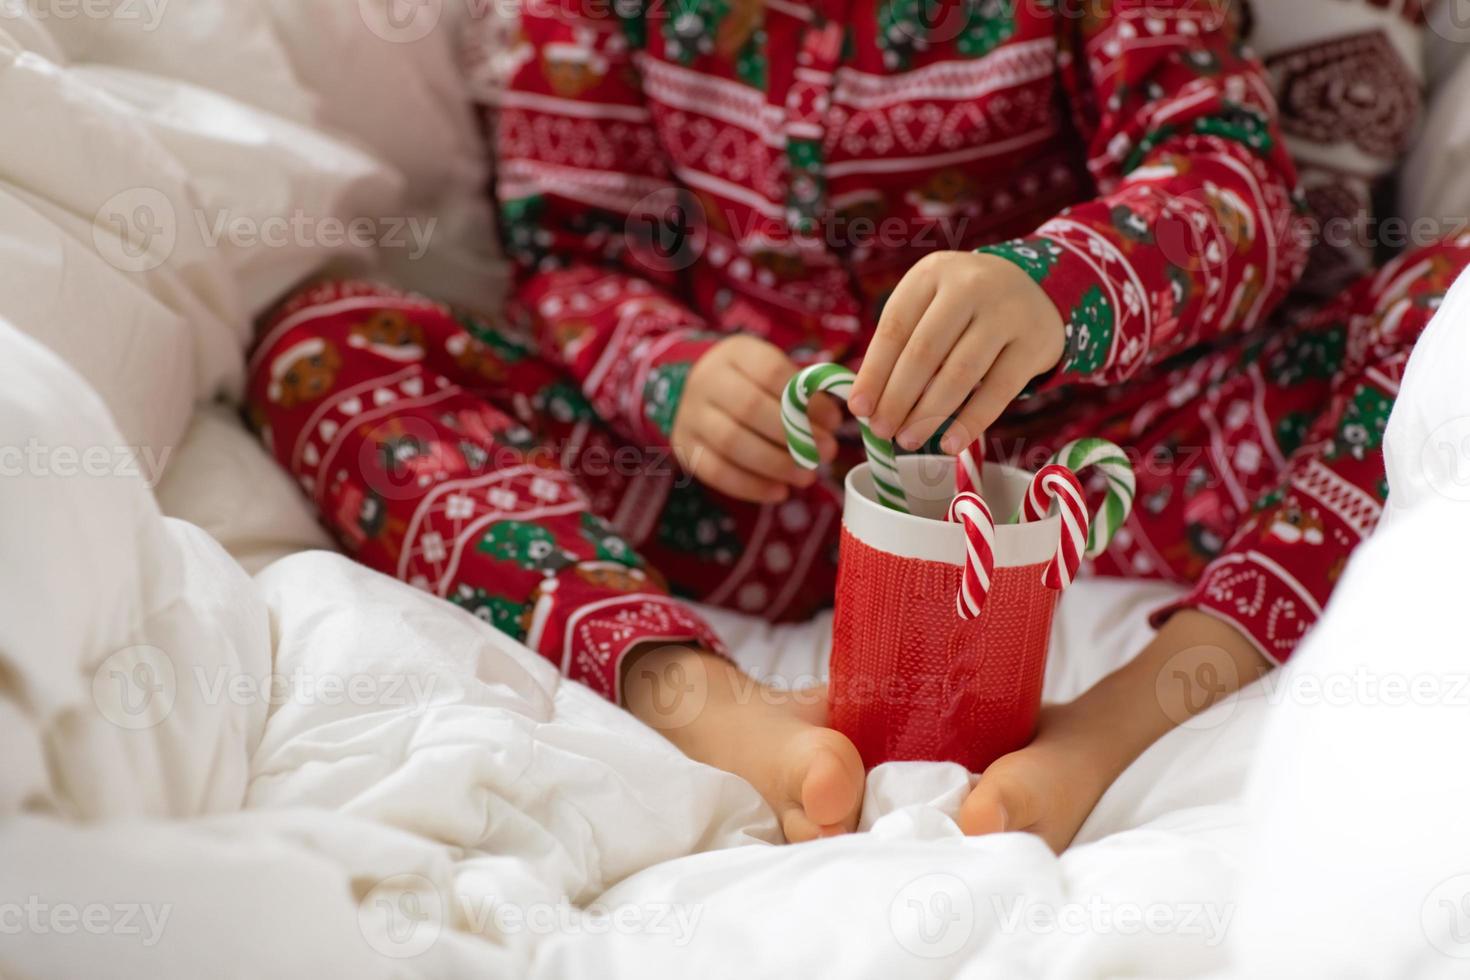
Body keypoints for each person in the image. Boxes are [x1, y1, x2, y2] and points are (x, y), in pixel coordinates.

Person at [246, 0, 1469, 847]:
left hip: (1093, 469)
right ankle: (704, 704)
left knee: (1450, 304)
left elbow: (1231, 188)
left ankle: (1124, 715)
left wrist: (1054, 287)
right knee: (323, 346)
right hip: (727, 496)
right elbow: (573, 251)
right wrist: (679, 376)